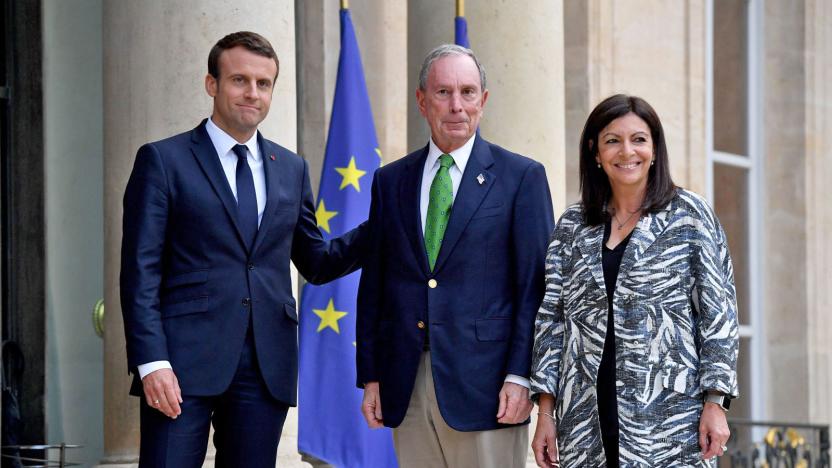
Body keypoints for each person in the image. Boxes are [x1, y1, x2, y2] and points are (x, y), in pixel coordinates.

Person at [120, 31, 364, 468]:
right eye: (239, 80)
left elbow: (317, 261)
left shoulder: (291, 168)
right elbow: (140, 272)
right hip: (181, 365)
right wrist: (150, 361)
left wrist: (383, 229)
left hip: (265, 365)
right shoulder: (163, 160)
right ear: (212, 84)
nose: (252, 93)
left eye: (263, 83)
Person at [356, 44, 554, 468]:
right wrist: (371, 374)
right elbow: (375, 285)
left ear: (483, 100)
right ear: (421, 101)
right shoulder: (390, 182)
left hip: (489, 389)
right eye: (443, 92)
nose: (456, 106)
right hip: (406, 384)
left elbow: (534, 289)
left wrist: (522, 377)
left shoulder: (522, 178)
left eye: (467, 92)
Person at [530, 94, 739, 467]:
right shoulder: (573, 226)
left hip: (669, 421)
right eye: (613, 140)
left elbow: (718, 315)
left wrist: (716, 401)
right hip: (584, 420)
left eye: (638, 139)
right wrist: (545, 413)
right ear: (595, 152)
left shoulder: (688, 215)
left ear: (655, 149)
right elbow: (552, 321)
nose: (627, 151)